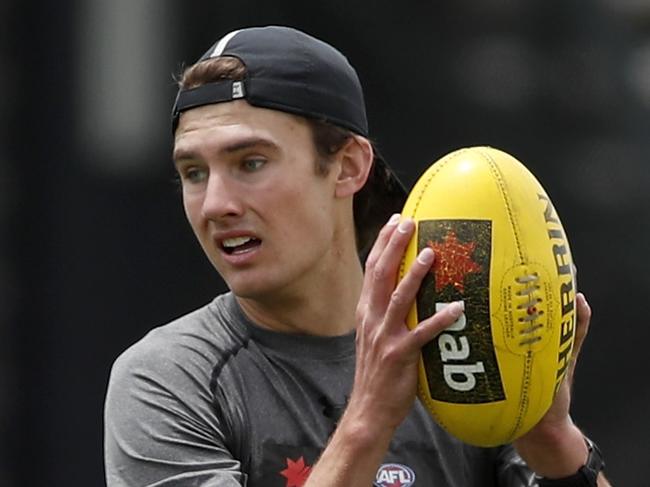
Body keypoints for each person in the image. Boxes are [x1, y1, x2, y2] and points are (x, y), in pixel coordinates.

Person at [104, 26, 610, 486]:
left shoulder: (456, 341)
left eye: (251, 162)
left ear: (347, 166)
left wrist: (553, 441)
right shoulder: (167, 379)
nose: (215, 204)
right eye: (194, 173)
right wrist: (369, 418)